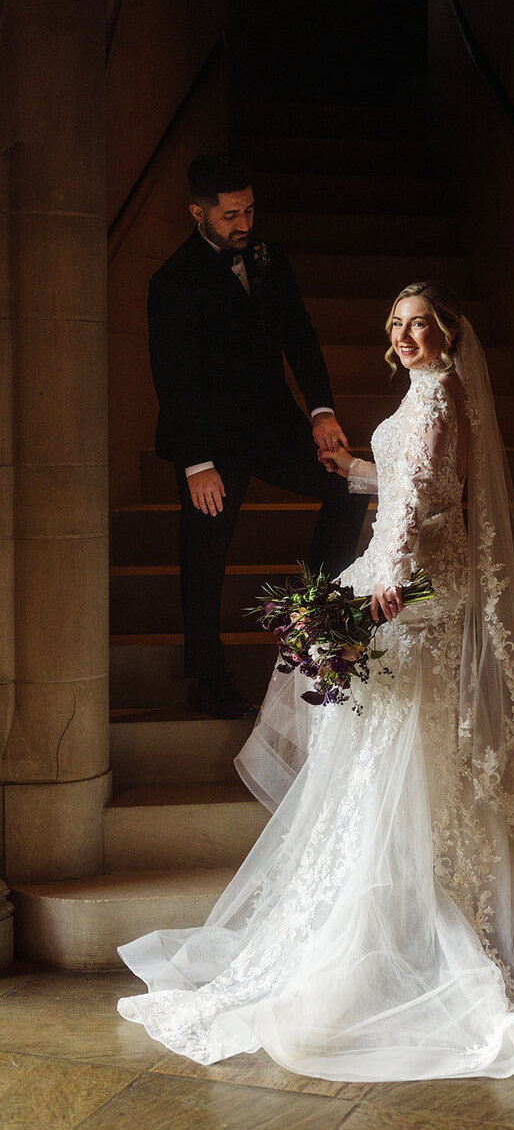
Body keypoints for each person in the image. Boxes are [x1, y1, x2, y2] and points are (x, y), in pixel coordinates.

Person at [118, 282, 514, 1079]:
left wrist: (389, 586)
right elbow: (426, 489)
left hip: (410, 589)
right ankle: (396, 896)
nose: (406, 337)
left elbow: (418, 505)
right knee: (393, 740)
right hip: (413, 579)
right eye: (397, 325)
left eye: (420, 326)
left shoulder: (439, 398)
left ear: (447, 334)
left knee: (393, 742)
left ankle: (403, 913)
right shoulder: (429, 396)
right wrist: (353, 471)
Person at [147, 154, 369, 719]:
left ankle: (314, 621)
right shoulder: (171, 281)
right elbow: (174, 380)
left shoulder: (271, 260)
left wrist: (321, 411)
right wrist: (197, 463)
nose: (243, 224)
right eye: (229, 216)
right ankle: (207, 677)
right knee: (204, 553)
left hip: (273, 423)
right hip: (208, 440)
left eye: (248, 210)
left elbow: (300, 335)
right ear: (197, 213)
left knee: (348, 488)